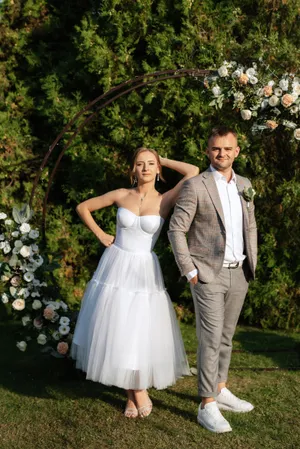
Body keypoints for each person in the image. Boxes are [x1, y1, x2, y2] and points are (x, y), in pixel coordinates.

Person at [71, 147, 199, 418]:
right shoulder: (121, 195)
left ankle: (134, 391)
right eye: (140, 164)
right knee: (118, 327)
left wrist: (162, 158)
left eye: (151, 164)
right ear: (132, 169)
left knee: (138, 328)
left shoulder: (166, 199)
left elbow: (192, 172)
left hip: (143, 270)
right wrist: (101, 234)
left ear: (158, 169)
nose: (145, 168)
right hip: (116, 267)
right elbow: (83, 207)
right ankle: (136, 391)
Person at [168, 126, 257, 433]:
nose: (222, 154)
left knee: (226, 337)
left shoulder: (245, 185)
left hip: (239, 271)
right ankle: (206, 403)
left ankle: (220, 388)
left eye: (227, 148)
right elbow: (176, 229)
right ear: (208, 152)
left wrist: (252, 260)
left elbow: (251, 226)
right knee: (210, 338)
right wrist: (189, 269)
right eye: (216, 149)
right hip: (207, 274)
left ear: (237, 151)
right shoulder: (196, 185)